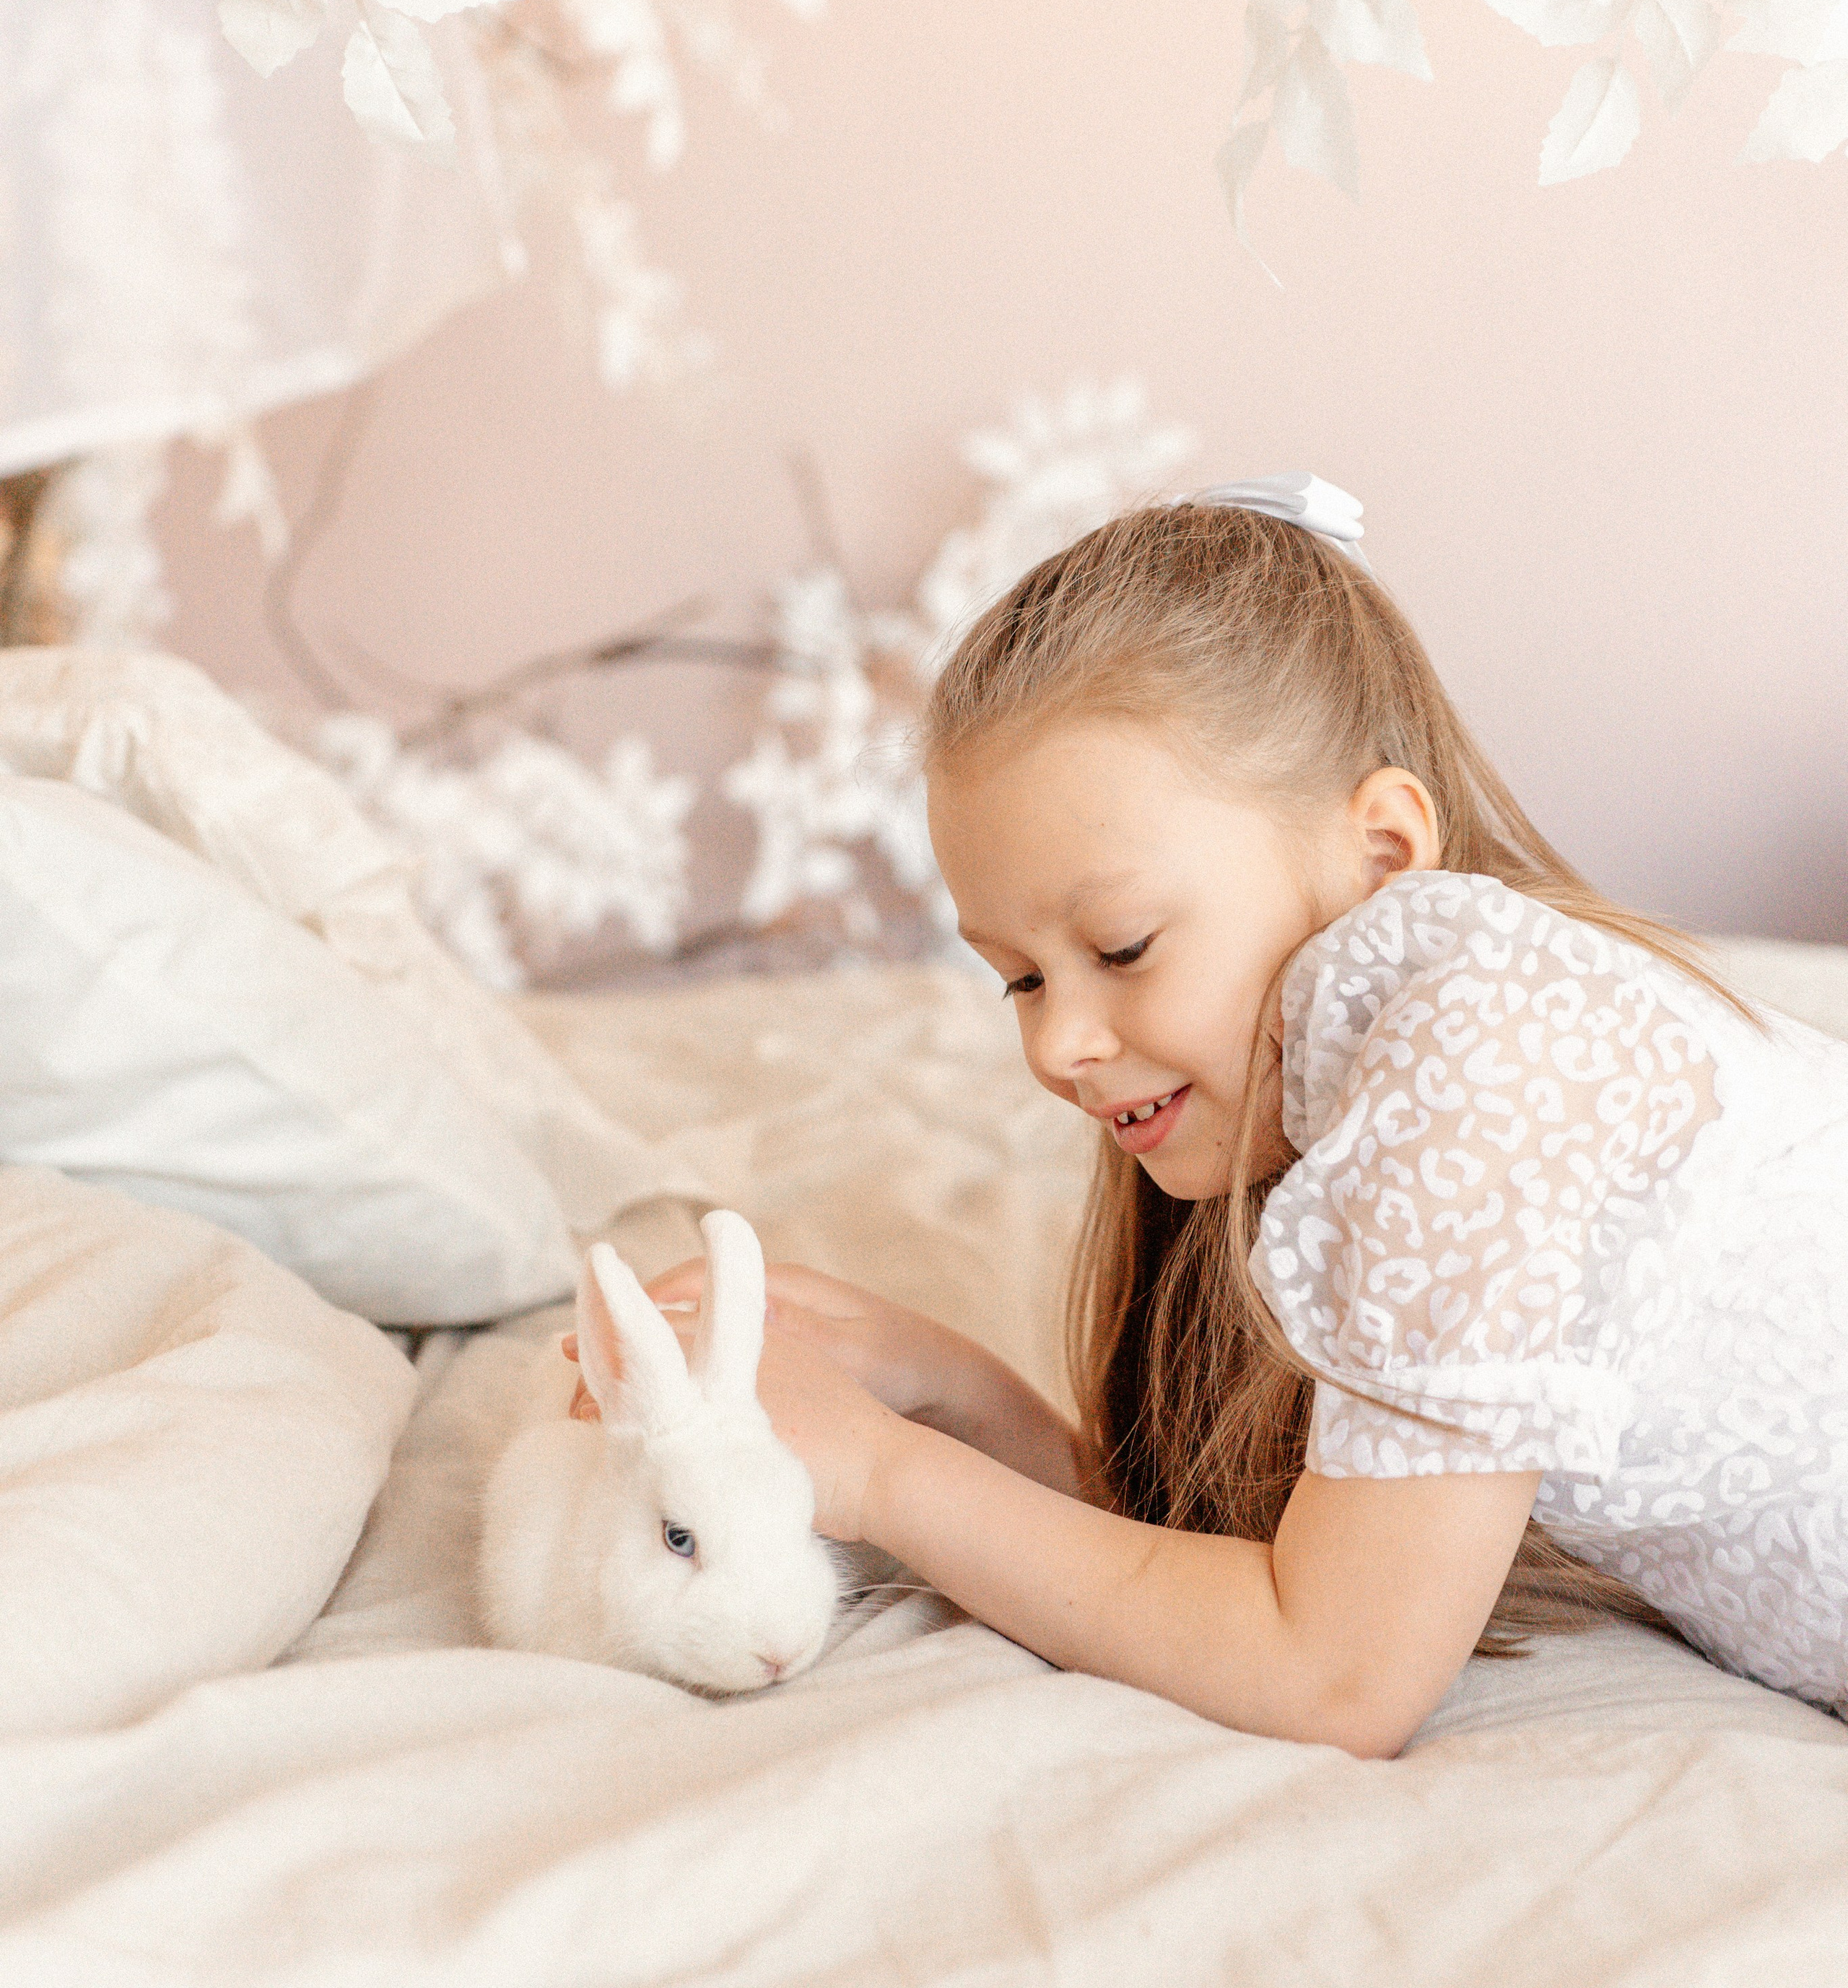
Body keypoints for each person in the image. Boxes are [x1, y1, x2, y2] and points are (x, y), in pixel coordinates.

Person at [588, 481, 1848, 1755]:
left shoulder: (1489, 1051)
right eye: (1020, 979)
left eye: (1122, 947)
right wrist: (942, 1386)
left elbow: (1335, 1677)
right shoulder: (1333, 1082)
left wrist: (881, 1473)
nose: (1057, 1046)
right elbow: (1188, 1567)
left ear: (1382, 857)